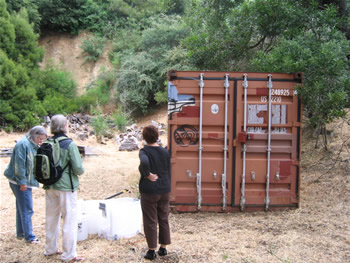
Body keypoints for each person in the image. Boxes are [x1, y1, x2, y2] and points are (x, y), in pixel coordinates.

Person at [43, 114, 85, 262]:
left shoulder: (46, 142)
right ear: (65, 126)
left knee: (51, 218)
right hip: (66, 187)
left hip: (49, 185)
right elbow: (78, 168)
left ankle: (50, 248)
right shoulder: (69, 144)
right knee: (69, 220)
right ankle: (68, 254)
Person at [4, 125, 48, 243]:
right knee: (27, 209)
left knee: (21, 208)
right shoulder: (22, 145)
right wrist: (22, 182)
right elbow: (19, 166)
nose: (41, 141)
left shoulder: (32, 145)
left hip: (23, 181)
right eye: (40, 139)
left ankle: (21, 233)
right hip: (19, 181)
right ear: (35, 136)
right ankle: (30, 237)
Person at [138, 125, 171, 260]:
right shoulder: (164, 151)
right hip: (164, 189)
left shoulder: (144, 151)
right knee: (163, 218)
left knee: (150, 220)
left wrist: (147, 174)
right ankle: (163, 248)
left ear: (144, 137)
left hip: (150, 191)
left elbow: (144, 162)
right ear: (157, 136)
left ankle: (151, 250)